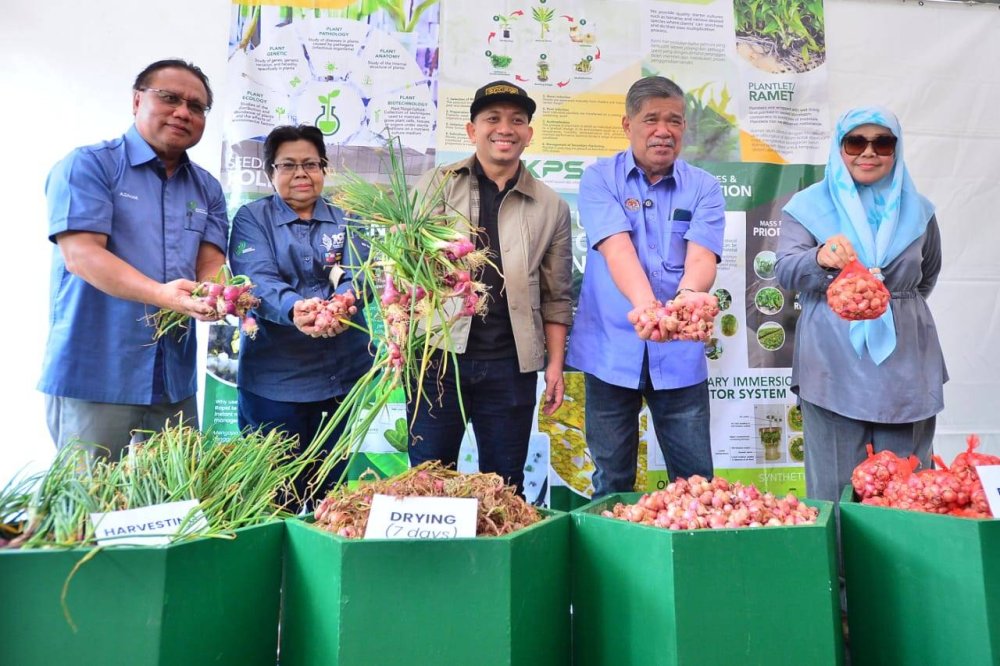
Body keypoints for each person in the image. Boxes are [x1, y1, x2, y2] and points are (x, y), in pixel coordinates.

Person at [40, 59, 229, 460]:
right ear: (137, 100)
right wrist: (162, 294)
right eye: (170, 98)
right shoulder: (90, 165)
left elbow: (210, 264)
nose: (183, 112)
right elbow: (82, 255)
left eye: (196, 107)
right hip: (95, 373)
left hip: (172, 379)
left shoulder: (207, 187)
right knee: (88, 506)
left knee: (173, 505)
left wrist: (221, 294)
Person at [407, 80, 573, 496]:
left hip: (510, 367)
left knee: (503, 487)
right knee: (428, 483)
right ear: (471, 130)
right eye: (493, 119)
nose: (506, 128)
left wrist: (554, 366)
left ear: (529, 134)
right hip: (436, 360)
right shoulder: (434, 186)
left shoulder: (551, 206)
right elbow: (402, 271)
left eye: (517, 120)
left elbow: (557, 296)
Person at [776, 106, 946, 503]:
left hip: (906, 366)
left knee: (910, 487)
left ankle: (904, 566)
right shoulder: (807, 206)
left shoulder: (919, 211)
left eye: (882, 143)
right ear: (840, 148)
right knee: (835, 488)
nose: (868, 152)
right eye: (856, 141)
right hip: (832, 363)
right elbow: (785, 271)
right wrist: (819, 259)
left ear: (896, 150)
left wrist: (889, 307)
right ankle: (838, 566)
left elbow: (927, 275)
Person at [566, 76, 726, 498]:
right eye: (651, 119)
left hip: (678, 354)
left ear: (684, 128)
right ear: (627, 124)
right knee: (612, 480)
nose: (663, 130)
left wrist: (688, 301)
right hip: (610, 351)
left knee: (695, 484)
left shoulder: (705, 187)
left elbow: (701, 258)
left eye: (674, 120)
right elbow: (617, 250)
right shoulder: (599, 179)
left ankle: (695, 558)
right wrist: (649, 309)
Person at [228, 125, 372, 510]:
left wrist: (343, 303)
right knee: (275, 495)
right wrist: (296, 308)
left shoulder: (348, 219)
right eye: (288, 165)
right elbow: (255, 277)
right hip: (275, 382)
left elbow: (362, 273)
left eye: (311, 163)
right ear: (270, 172)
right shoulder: (251, 219)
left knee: (331, 497)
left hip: (343, 379)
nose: (301, 174)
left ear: (324, 168)